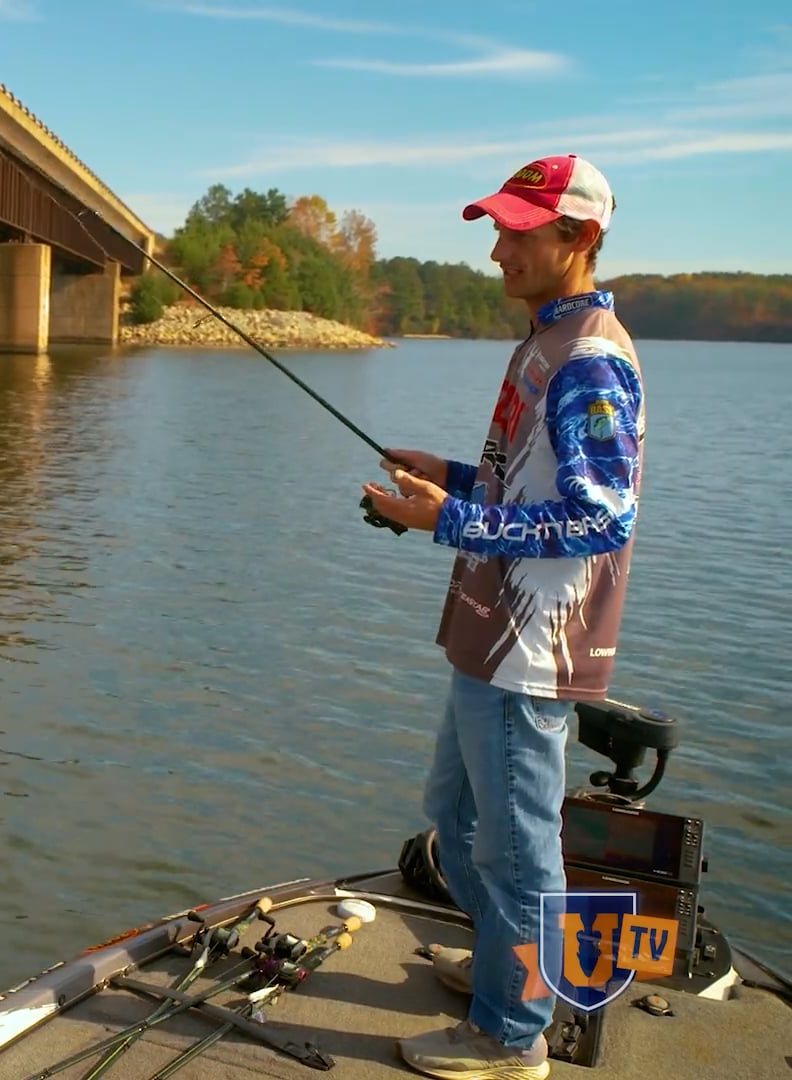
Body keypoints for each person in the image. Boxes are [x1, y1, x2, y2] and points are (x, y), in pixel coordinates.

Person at [361, 154, 645, 1080]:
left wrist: (444, 517)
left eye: (520, 231)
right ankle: (499, 973)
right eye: (499, 228)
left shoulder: (592, 358)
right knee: (452, 812)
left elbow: (601, 515)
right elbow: (527, 484)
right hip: (490, 632)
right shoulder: (544, 342)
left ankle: (510, 1035)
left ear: (581, 238)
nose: (498, 250)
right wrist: (445, 475)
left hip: (535, 649)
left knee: (520, 852)